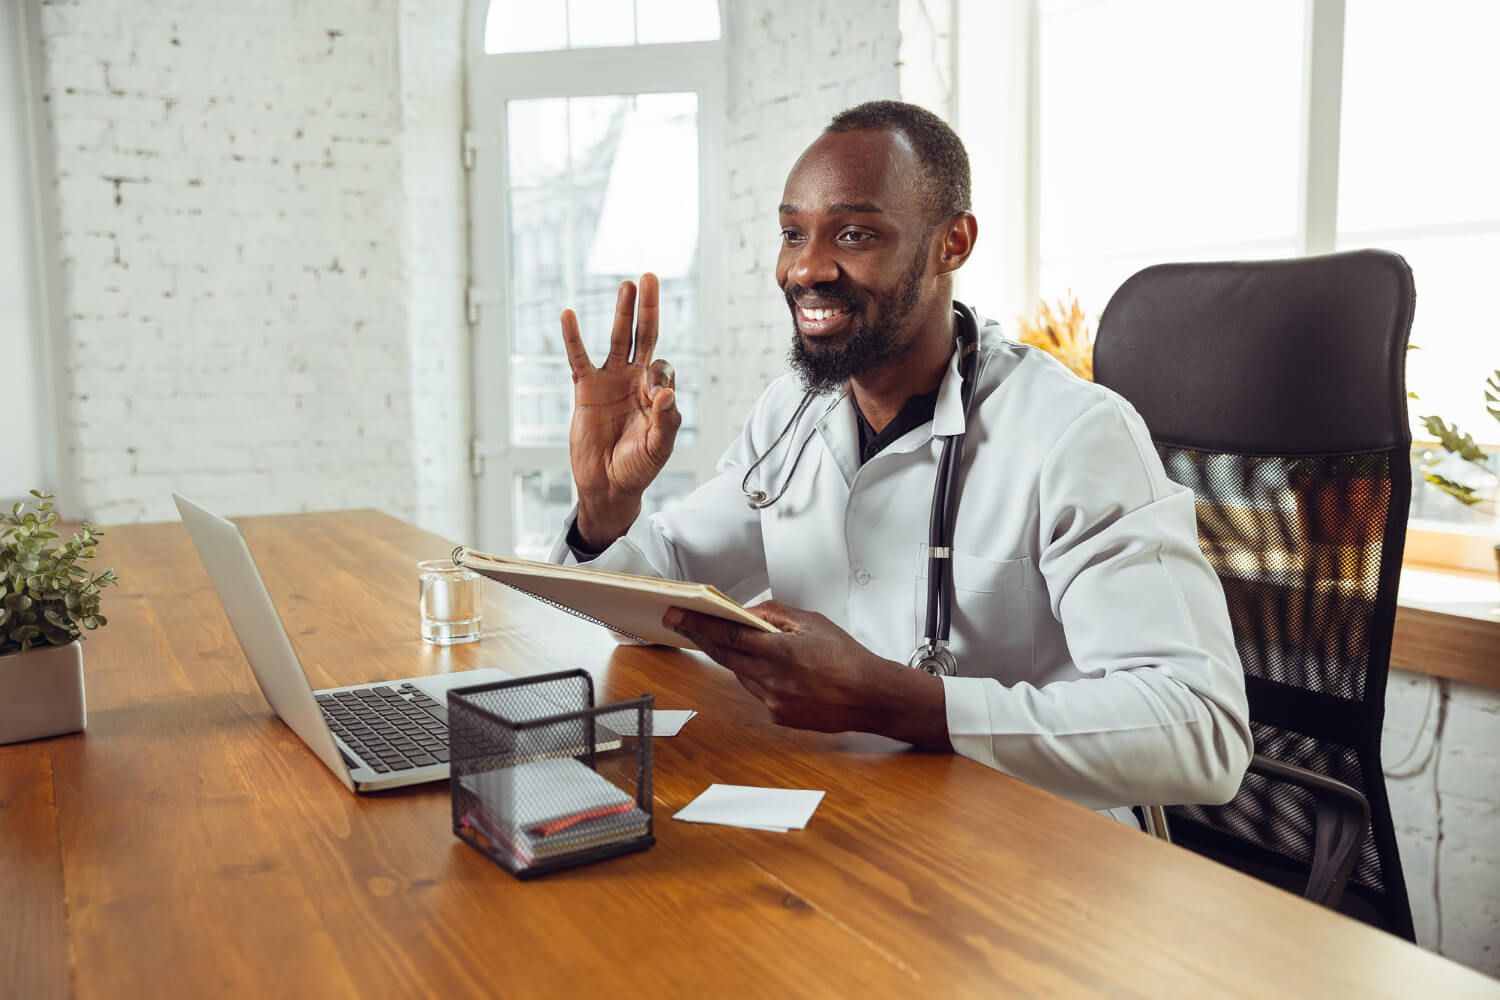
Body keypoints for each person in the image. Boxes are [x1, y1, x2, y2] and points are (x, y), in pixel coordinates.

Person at [550, 100, 1251, 819]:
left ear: (953, 242)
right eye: (793, 233)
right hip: (851, 818)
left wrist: (894, 700)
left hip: (1031, 855)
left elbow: (1201, 729)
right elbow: (656, 603)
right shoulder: (793, 410)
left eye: (854, 234)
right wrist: (606, 510)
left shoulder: (1073, 433)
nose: (807, 267)